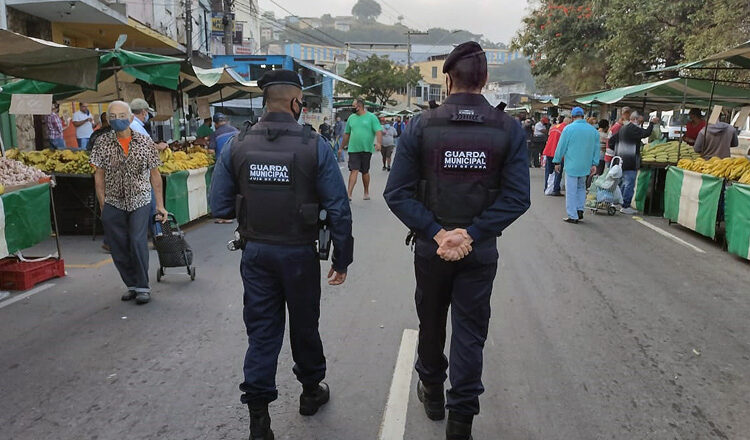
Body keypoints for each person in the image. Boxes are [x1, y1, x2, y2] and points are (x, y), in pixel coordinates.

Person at [384, 41, 530, 440]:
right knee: (470, 331)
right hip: (478, 250)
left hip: (433, 249)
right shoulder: (508, 128)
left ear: (448, 79)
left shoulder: (420, 125)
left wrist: (437, 233)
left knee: (430, 323)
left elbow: (397, 193)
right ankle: (460, 420)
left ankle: (432, 392)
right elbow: (517, 197)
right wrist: (473, 233)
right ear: (485, 79)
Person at [208, 69, 353, 440]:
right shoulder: (314, 145)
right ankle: (309, 392)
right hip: (299, 255)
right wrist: (342, 259)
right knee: (304, 325)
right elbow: (338, 207)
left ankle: (259, 419)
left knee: (262, 333)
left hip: (256, 253)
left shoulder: (236, 144)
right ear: (295, 103)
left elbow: (220, 206)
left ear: (264, 102)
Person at [90, 100, 167, 305]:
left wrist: (159, 205)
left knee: (136, 240)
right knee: (118, 245)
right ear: (107, 119)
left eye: (122, 116)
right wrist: (102, 202)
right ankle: (131, 284)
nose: (117, 120)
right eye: (113, 117)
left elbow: (155, 175)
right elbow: (99, 175)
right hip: (113, 201)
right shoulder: (102, 143)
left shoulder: (145, 143)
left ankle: (143, 286)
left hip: (140, 199)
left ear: (131, 118)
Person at [553, 107, 600, 224]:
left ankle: (572, 215)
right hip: (586, 165)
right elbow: (596, 148)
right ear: (583, 116)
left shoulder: (568, 129)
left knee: (571, 190)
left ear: (573, 117)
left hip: (572, 165)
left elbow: (561, 146)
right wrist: (594, 163)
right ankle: (580, 209)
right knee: (581, 188)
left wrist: (557, 161)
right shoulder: (593, 131)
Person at [610, 111, 659, 215]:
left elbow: (611, 141)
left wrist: (618, 150)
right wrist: (651, 123)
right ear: (636, 119)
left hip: (620, 159)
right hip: (630, 160)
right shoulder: (633, 128)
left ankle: (617, 202)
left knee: (621, 182)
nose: (641, 123)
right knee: (629, 183)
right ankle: (625, 205)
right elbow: (646, 133)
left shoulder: (623, 128)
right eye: (640, 121)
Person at [339, 98, 382, 200]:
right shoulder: (351, 118)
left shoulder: (371, 117)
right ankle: (349, 194)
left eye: (353, 106)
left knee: (365, 171)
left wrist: (379, 143)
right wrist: (341, 147)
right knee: (354, 170)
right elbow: (347, 134)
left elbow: (378, 131)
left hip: (366, 149)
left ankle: (366, 192)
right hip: (353, 149)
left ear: (359, 106)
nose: (352, 108)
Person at [542, 116, 570, 195]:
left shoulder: (554, 127)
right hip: (557, 152)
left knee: (549, 171)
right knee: (558, 170)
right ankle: (555, 189)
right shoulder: (566, 129)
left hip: (549, 150)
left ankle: (547, 188)